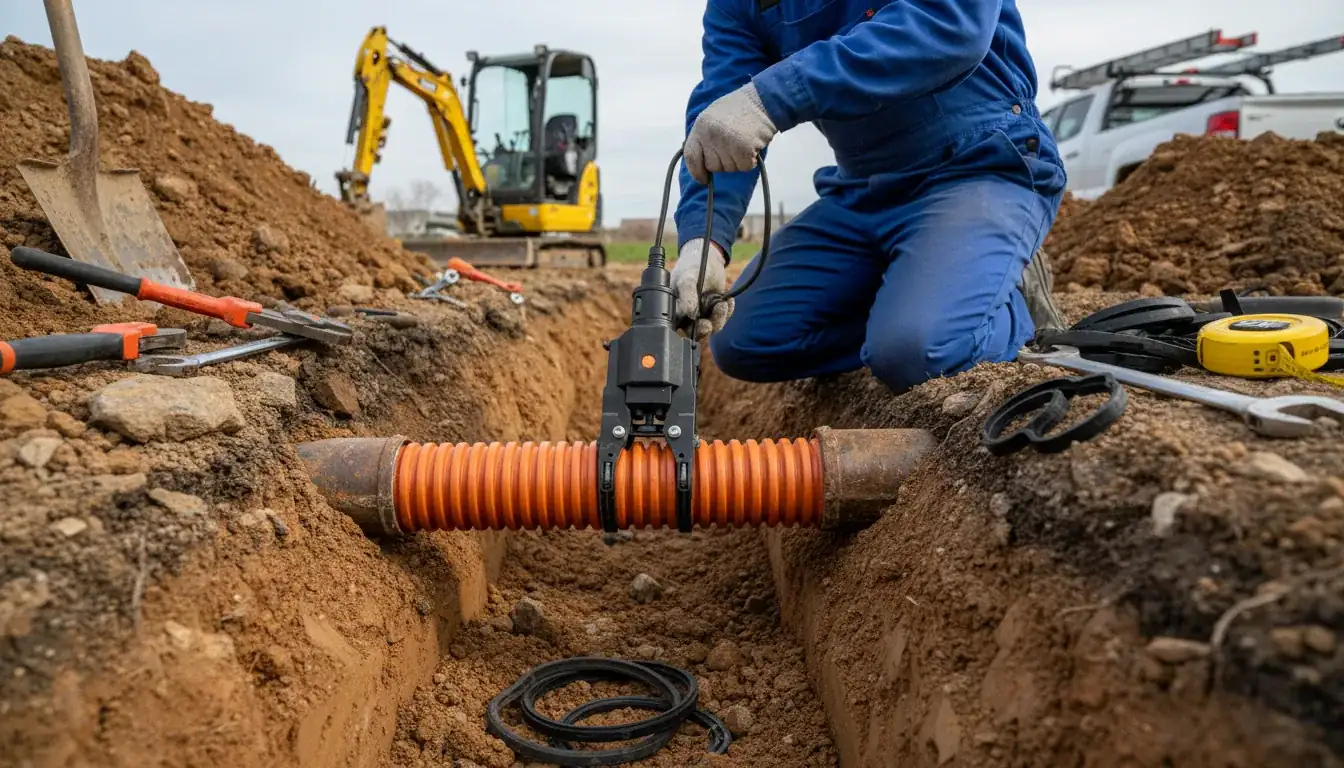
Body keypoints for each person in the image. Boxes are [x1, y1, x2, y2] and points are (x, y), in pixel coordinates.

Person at [670, 0, 1068, 393]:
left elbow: (951, 24)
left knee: (917, 353)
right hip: (864, 190)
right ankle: (920, 299)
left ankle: (995, 300)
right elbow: (722, 121)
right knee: (744, 344)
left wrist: (772, 96)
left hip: (978, 165)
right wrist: (703, 242)